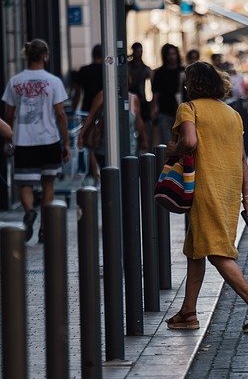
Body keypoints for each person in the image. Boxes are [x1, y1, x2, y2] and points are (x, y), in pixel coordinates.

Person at [165, 61, 248, 334]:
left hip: (203, 189)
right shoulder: (232, 114)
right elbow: (242, 160)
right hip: (227, 191)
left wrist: (173, 149)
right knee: (196, 251)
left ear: (192, 85)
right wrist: (246, 199)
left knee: (216, 252)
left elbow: (189, 142)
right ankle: (188, 311)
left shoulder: (188, 109)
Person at [2, 39, 70, 243]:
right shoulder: (54, 81)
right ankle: (45, 227)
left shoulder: (15, 81)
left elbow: (8, 114)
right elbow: (60, 115)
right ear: (45, 56)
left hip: (23, 140)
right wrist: (65, 142)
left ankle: (30, 210)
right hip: (49, 139)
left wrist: (8, 138)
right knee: (48, 182)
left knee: (25, 184)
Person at [77, 90, 146, 169]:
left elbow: (139, 123)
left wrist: (143, 140)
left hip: (129, 149)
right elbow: (91, 116)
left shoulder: (133, 99)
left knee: (127, 178)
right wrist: (81, 136)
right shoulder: (103, 95)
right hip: (106, 149)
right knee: (109, 177)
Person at [72, 44, 103, 182]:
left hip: (87, 110)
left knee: (89, 143)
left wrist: (74, 109)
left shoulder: (83, 71)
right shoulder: (107, 70)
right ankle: (101, 170)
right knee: (100, 141)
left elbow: (78, 93)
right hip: (103, 111)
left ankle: (95, 172)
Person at [151, 43, 185, 145]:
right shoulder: (159, 72)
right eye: (169, 54)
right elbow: (156, 93)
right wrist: (153, 108)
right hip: (164, 110)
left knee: (181, 141)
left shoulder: (183, 71)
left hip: (181, 110)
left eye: (174, 54)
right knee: (167, 142)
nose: (172, 57)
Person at [127, 42, 153, 148]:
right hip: (132, 97)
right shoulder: (129, 66)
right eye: (138, 51)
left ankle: (143, 144)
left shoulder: (145, 68)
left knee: (143, 124)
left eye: (141, 51)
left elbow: (151, 83)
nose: (139, 53)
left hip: (141, 99)